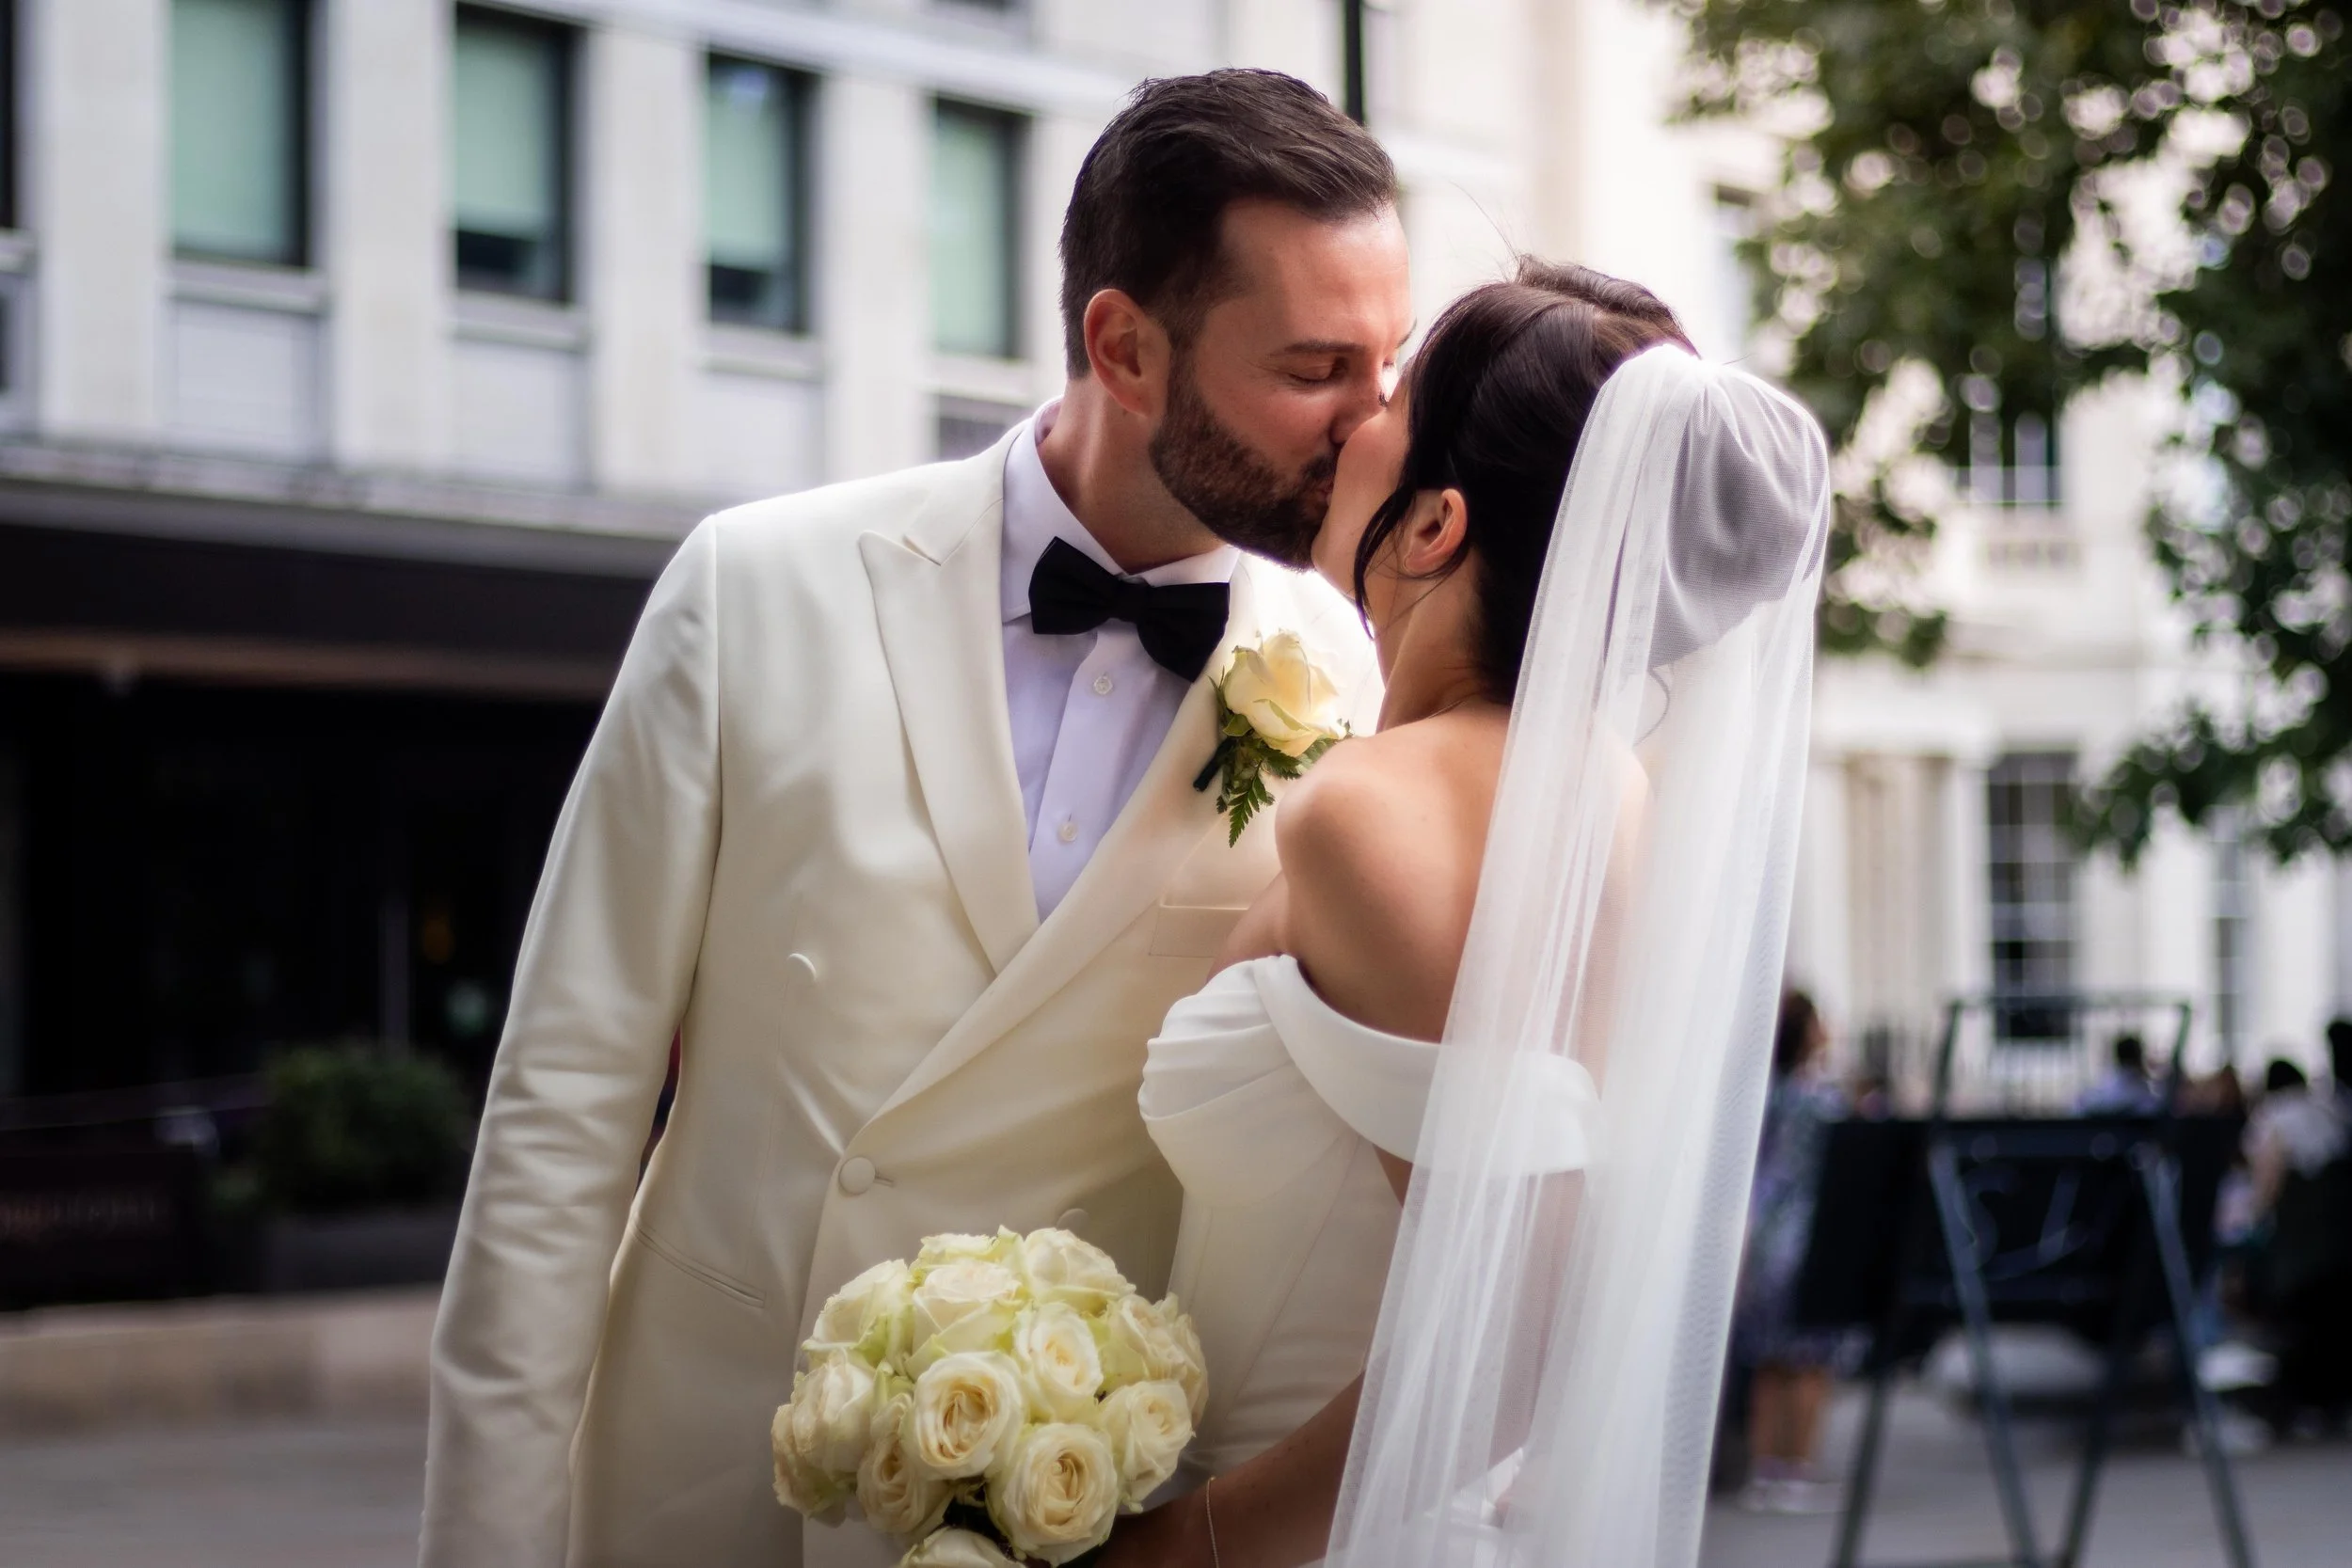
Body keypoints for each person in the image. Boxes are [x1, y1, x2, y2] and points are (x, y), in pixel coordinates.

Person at [420, 71, 1406, 1568]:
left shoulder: (1352, 678)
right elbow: (562, 1114)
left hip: (1084, 1503)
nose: (1372, 425)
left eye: (1389, 364)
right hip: (710, 1485)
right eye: (1318, 367)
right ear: (1123, 346)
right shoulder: (753, 586)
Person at [1118, 261, 1829, 1565]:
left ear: (1436, 525)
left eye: (1400, 386)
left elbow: (1525, 1316)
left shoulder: (1378, 803)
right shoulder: (1601, 788)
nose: (1357, 411)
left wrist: (1179, 1547)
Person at [1731, 990, 1857, 1514]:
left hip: (1762, 1232)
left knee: (1768, 1358)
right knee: (1809, 1356)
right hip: (1806, 1233)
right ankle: (1796, 1468)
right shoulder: (1821, 1101)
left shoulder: (1758, 1096)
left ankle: (1765, 1470)